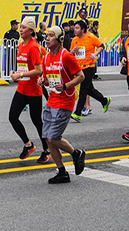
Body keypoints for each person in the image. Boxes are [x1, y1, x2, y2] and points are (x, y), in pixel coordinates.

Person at [38, 26, 86, 184]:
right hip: (51, 101)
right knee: (47, 139)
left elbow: (81, 76)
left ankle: (76, 153)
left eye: (51, 35)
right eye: (47, 35)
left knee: (53, 137)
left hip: (65, 101)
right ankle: (62, 172)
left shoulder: (66, 56)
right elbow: (47, 79)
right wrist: (42, 81)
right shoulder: (46, 58)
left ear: (59, 39)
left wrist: (66, 86)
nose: (47, 38)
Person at [9, 17, 50, 164]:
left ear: (31, 31)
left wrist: (20, 74)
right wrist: (17, 72)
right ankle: (28, 145)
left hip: (33, 91)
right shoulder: (20, 45)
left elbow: (38, 70)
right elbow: (23, 67)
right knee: (12, 117)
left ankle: (47, 149)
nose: (20, 29)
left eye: (24, 28)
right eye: (20, 27)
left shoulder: (33, 47)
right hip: (22, 89)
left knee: (37, 121)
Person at [70, 20, 110, 122]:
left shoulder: (90, 37)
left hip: (88, 67)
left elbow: (101, 46)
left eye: (77, 28)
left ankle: (77, 113)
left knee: (84, 90)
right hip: (79, 69)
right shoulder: (74, 40)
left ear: (83, 29)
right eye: (74, 28)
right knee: (89, 89)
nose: (75, 30)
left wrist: (95, 54)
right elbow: (70, 55)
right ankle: (104, 100)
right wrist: (72, 52)